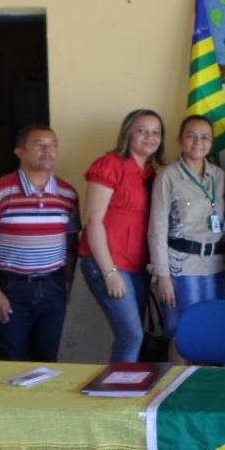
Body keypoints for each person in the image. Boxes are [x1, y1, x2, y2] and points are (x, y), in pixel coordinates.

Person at [0, 124, 81, 362]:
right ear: (19, 151)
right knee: (11, 359)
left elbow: (71, 242)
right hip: (12, 287)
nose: (48, 151)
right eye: (39, 145)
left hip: (53, 286)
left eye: (53, 145)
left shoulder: (68, 194)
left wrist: (68, 285)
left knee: (49, 358)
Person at [78, 109, 165, 363]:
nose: (150, 137)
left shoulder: (152, 173)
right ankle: (118, 396)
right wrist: (110, 273)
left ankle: (131, 387)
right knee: (132, 336)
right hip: (109, 264)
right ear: (128, 133)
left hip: (137, 267)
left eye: (156, 132)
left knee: (134, 336)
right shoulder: (110, 164)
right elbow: (93, 221)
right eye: (142, 131)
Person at [148, 115, 225, 361]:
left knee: (213, 330)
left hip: (216, 267)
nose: (198, 142)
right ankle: (177, 387)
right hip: (181, 267)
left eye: (205, 137)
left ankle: (207, 388)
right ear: (180, 140)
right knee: (182, 332)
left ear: (212, 142)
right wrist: (163, 276)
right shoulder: (168, 176)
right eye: (191, 135)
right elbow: (157, 229)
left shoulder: (219, 175)